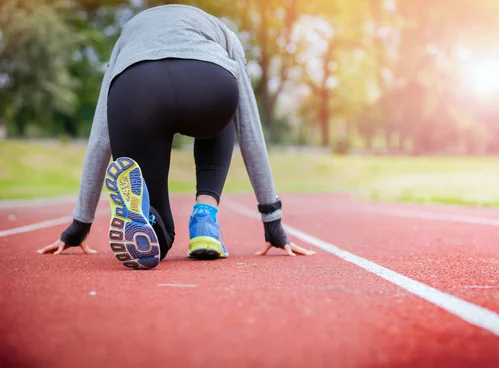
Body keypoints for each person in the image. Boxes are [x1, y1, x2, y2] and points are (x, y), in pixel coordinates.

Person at [36, 4, 315, 269]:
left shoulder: (129, 34)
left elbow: (100, 135)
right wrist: (272, 220)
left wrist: (80, 224)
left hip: (137, 89)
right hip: (208, 84)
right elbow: (249, 125)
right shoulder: (223, 34)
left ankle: (149, 222)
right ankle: (205, 219)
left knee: (159, 230)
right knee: (227, 118)